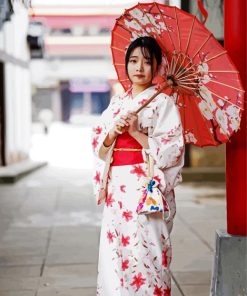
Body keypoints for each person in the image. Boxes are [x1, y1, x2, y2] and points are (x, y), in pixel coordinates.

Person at [92, 36, 185, 295]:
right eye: (133, 61)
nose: (139, 68)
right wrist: (112, 132)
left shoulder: (163, 103)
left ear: (156, 67)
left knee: (147, 248)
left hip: (145, 185)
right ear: (126, 65)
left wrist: (135, 132)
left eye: (146, 61)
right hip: (117, 187)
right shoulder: (117, 103)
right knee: (116, 250)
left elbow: (172, 149)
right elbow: (99, 143)